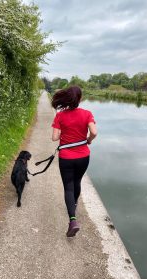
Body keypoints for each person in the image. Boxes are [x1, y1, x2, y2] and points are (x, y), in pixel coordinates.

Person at [51, 86, 97, 237]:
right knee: (77, 182)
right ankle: (74, 205)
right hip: (83, 156)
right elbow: (94, 132)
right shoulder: (87, 114)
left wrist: (64, 130)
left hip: (66, 157)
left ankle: (72, 220)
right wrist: (88, 140)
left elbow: (55, 138)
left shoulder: (60, 116)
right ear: (80, 99)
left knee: (68, 187)